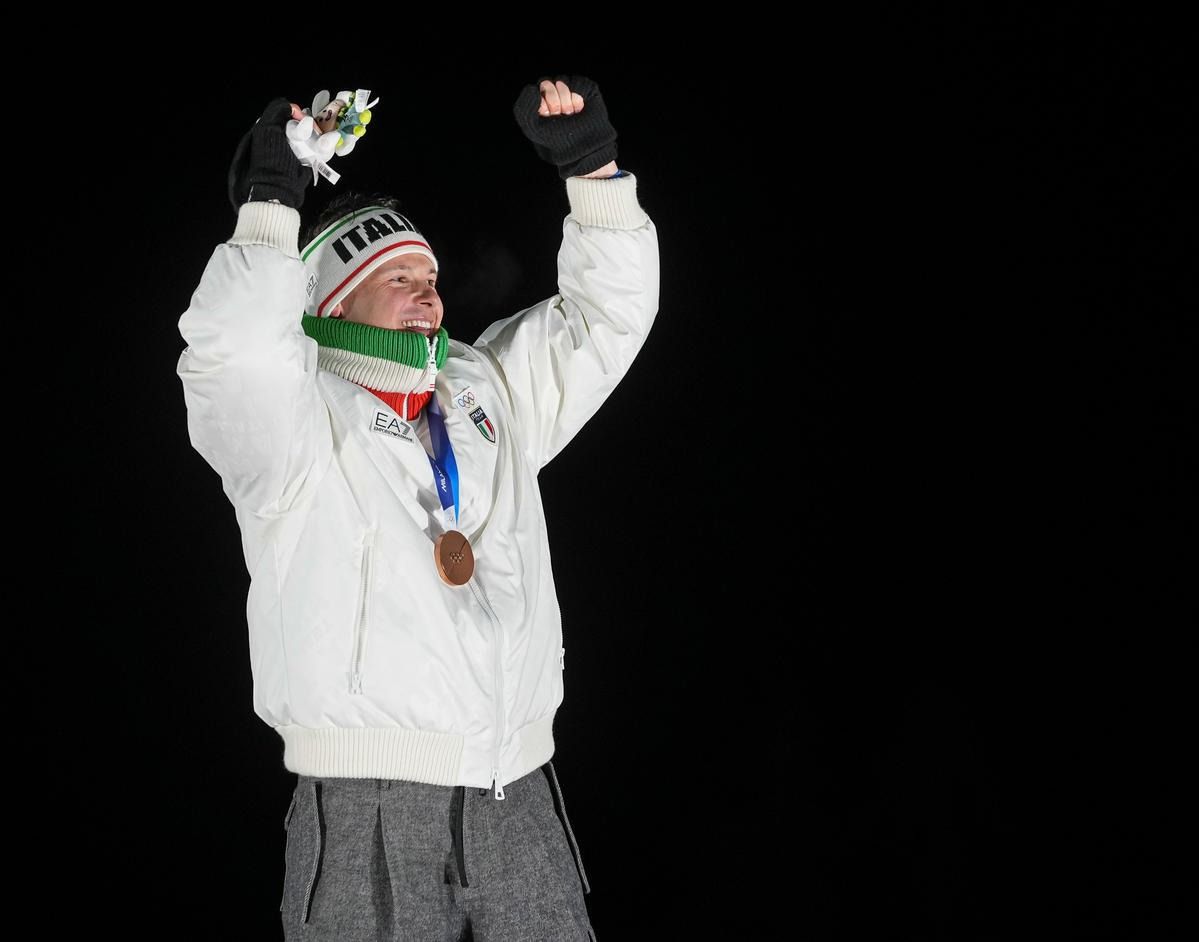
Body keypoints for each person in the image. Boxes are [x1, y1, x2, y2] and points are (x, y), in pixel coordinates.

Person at [176, 75, 659, 940]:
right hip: (367, 800)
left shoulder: (485, 389)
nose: (428, 292)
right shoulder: (291, 427)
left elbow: (603, 320)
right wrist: (269, 209)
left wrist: (592, 172)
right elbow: (236, 355)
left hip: (518, 788)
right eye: (395, 276)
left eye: (429, 273)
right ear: (330, 302)